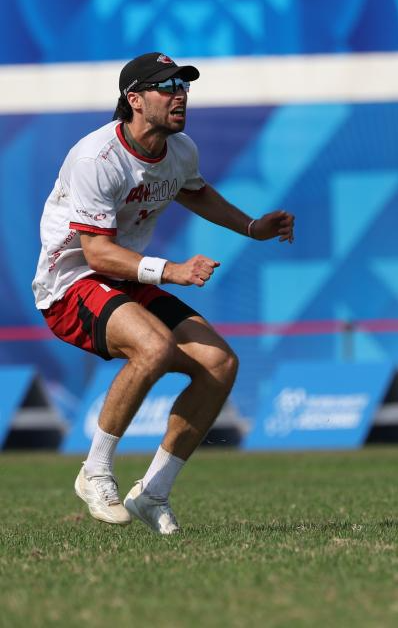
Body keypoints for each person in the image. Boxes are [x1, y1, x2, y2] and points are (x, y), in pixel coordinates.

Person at [32, 52, 295, 533]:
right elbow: (97, 254)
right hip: (70, 284)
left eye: (183, 85)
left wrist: (251, 226)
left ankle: (153, 493)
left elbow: (193, 191)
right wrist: (171, 270)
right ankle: (95, 471)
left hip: (127, 278)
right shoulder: (96, 158)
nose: (181, 95)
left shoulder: (180, 149)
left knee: (220, 364)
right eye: (167, 86)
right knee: (153, 348)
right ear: (134, 99)